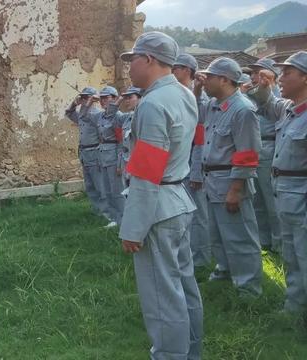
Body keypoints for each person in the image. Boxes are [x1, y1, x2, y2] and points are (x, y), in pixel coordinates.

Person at [119, 31, 203, 359]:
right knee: (184, 286)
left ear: (149, 60)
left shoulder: (153, 103)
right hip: (178, 199)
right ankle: (190, 352)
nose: (129, 68)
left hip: (158, 205)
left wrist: (133, 228)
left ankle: (170, 355)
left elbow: (146, 171)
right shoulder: (183, 94)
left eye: (133, 60)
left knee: (161, 296)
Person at [194, 58, 263, 296]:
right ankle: (224, 271)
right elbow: (193, 111)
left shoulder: (242, 109)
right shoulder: (214, 105)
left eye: (210, 77)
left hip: (230, 180)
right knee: (218, 234)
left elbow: (247, 154)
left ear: (224, 79)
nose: (205, 80)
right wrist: (196, 88)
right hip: (212, 180)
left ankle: (248, 288)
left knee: (240, 237)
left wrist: (236, 189)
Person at [249, 51, 307, 313]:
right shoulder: (289, 109)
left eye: (288, 73)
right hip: (284, 193)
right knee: (291, 256)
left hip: (302, 195)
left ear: (305, 78)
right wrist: (265, 85)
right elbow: (266, 102)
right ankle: (294, 308)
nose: (281, 77)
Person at [173, 53, 212, 268]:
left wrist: (196, 171)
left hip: (192, 165)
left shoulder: (199, 98)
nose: (173, 71)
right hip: (182, 165)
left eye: (177, 68)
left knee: (198, 215)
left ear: (188, 70)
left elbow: (200, 140)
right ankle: (191, 255)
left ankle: (202, 259)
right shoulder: (181, 96)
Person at [246, 58, 282, 253]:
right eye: (252, 73)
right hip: (254, 148)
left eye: (258, 72)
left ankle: (279, 243)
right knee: (257, 198)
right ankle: (264, 240)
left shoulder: (276, 96)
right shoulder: (251, 95)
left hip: (270, 146)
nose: (253, 76)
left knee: (271, 198)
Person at [65, 87, 109, 218]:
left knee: (99, 184)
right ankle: (97, 211)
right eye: (82, 97)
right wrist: (74, 103)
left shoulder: (97, 113)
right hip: (84, 152)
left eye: (86, 97)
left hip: (94, 151)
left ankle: (107, 213)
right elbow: (68, 113)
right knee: (90, 185)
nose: (84, 100)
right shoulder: (82, 114)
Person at [97, 86, 125, 227]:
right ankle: (114, 217)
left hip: (114, 155)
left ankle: (123, 218)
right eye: (101, 98)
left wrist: (120, 163)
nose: (102, 101)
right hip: (103, 155)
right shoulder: (101, 116)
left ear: (114, 98)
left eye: (106, 97)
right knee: (107, 189)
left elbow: (121, 141)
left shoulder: (118, 116)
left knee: (117, 190)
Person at [107, 86, 142, 190]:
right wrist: (119, 100)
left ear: (140, 98)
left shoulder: (144, 117)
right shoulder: (127, 117)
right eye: (125, 98)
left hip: (138, 166)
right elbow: (109, 117)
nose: (127, 101)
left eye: (130, 97)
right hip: (126, 164)